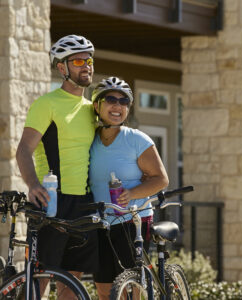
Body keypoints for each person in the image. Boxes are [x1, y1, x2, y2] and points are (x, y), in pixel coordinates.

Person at [16, 34, 98, 297]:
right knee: (40, 277)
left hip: (84, 203)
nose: (86, 65)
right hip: (52, 201)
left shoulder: (93, 109)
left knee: (72, 281)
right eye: (77, 60)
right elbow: (24, 149)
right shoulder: (46, 104)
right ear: (61, 68)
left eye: (89, 59)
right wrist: (32, 184)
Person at [89, 76, 169, 299]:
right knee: (104, 289)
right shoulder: (90, 140)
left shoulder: (136, 139)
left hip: (132, 220)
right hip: (101, 222)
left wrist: (132, 193)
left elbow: (161, 179)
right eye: (111, 99)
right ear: (97, 105)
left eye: (124, 101)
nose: (118, 106)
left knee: (129, 288)